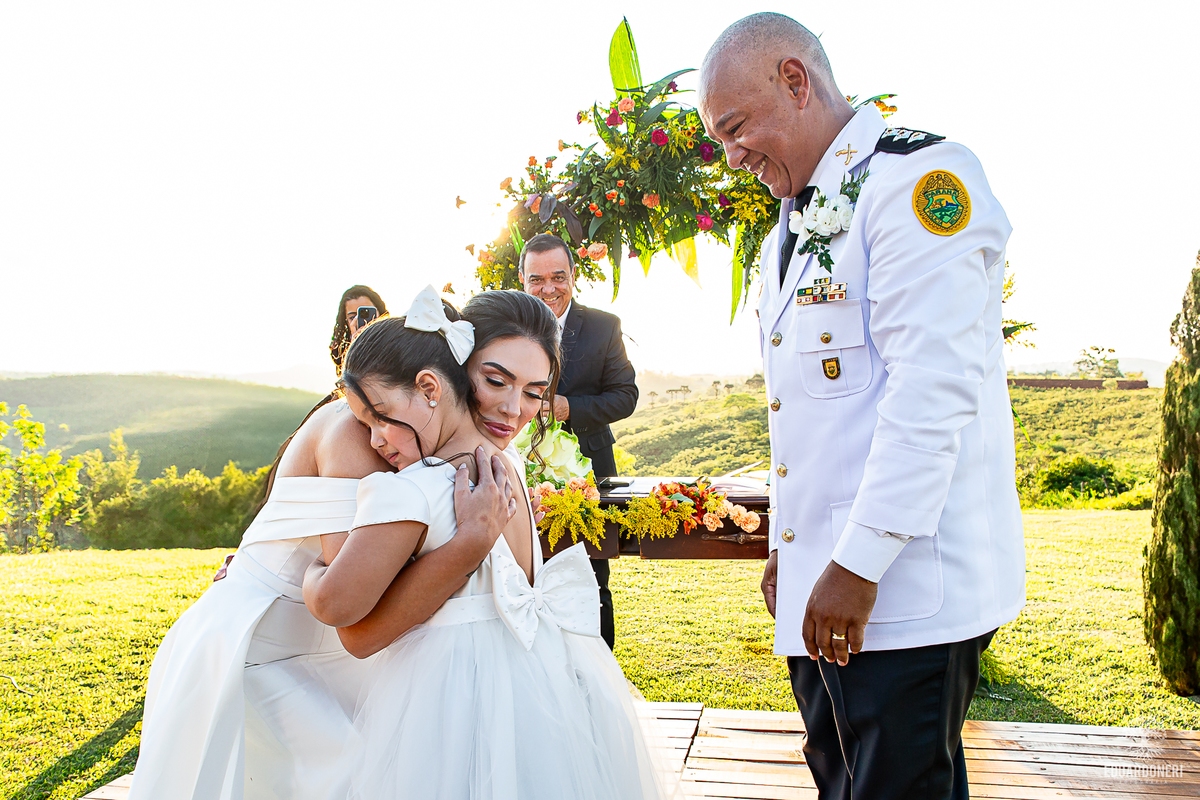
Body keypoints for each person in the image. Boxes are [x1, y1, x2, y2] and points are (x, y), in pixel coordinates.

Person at [698, 13, 1024, 800]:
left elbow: (930, 390)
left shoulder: (917, 183)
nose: (732, 156)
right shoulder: (796, 218)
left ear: (796, 81)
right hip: (829, 590)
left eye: (736, 129)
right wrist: (795, 547)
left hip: (897, 596)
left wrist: (855, 563)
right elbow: (811, 416)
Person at [302, 287, 671, 800]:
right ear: (454, 366)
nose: (513, 409)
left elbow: (355, 631)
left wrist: (312, 568)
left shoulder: (427, 485)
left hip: (452, 704)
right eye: (495, 380)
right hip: (537, 694)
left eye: (535, 392)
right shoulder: (505, 466)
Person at [128, 316, 518, 799]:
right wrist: (465, 543)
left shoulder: (411, 445)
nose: (374, 434)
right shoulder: (354, 437)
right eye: (367, 417)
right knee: (349, 772)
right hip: (259, 646)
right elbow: (350, 594)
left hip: (310, 644)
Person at [519, 233, 638, 649]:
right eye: (536, 279)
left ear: (573, 276)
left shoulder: (604, 327)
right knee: (528, 581)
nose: (548, 288)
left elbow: (626, 395)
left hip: (588, 473)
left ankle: (598, 680)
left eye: (558, 277)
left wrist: (571, 408)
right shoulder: (509, 328)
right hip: (523, 476)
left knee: (592, 582)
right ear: (522, 280)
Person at [330, 284, 388, 377]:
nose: (361, 320)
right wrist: (355, 347)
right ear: (346, 321)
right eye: (352, 317)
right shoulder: (344, 351)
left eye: (368, 314)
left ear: (381, 314)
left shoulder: (398, 343)